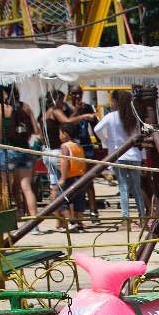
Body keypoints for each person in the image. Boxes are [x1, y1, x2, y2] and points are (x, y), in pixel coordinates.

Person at [94, 89, 147, 225]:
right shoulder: (134, 117)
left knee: (123, 187)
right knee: (136, 188)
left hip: (118, 154)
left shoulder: (111, 116)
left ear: (115, 101)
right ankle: (142, 216)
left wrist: (106, 142)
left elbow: (97, 129)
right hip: (135, 155)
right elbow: (139, 137)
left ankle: (126, 217)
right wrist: (144, 158)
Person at [0, 85, 39, 219]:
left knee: (6, 186)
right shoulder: (25, 107)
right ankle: (33, 220)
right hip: (25, 149)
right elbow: (36, 130)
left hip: (8, 150)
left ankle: (6, 219)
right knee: (27, 187)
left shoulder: (0, 108)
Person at [68, 86, 100, 220]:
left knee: (88, 179)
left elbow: (96, 126)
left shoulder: (87, 107)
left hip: (86, 145)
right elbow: (67, 124)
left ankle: (93, 209)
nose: (77, 96)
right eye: (74, 94)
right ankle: (75, 211)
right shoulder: (66, 108)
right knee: (72, 180)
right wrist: (77, 111)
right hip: (72, 146)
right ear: (69, 94)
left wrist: (99, 142)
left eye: (79, 93)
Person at [56, 123, 88, 233]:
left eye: (60, 133)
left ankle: (70, 222)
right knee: (79, 200)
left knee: (61, 199)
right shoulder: (78, 146)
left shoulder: (65, 146)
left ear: (65, 134)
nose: (59, 135)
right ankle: (79, 222)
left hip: (70, 177)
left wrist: (63, 178)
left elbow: (65, 162)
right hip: (80, 176)